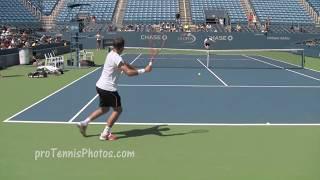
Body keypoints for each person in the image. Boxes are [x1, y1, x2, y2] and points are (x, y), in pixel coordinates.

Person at [77, 37, 153, 141]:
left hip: (100, 86)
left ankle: (84, 123)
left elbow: (125, 64)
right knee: (118, 110)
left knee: (104, 109)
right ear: (122, 47)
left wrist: (138, 68)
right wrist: (144, 70)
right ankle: (105, 134)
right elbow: (128, 73)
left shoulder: (111, 54)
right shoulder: (117, 58)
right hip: (109, 89)